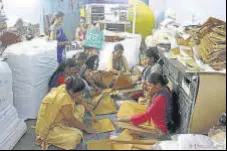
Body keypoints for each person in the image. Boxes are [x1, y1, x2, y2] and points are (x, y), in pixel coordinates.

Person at [36, 76, 97, 150]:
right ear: (75, 91)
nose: (80, 95)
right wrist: (86, 128)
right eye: (79, 93)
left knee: (81, 108)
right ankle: (63, 132)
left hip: (61, 118)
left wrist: (91, 112)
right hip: (51, 128)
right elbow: (71, 119)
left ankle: (73, 127)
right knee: (76, 136)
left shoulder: (66, 87)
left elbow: (80, 100)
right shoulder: (64, 98)